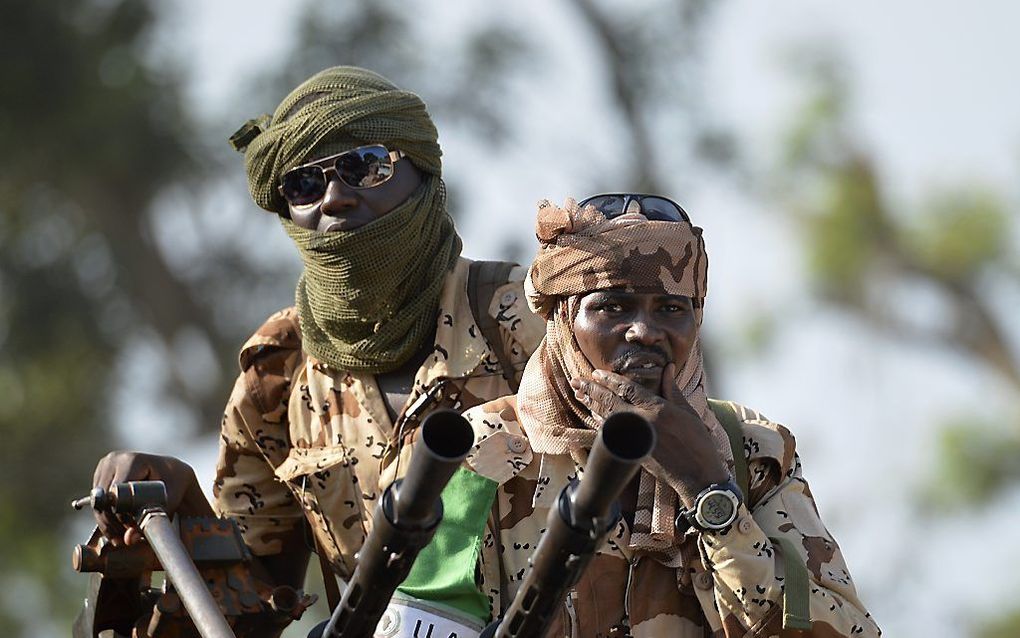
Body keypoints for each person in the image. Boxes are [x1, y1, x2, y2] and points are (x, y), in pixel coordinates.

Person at [89, 66, 545, 634]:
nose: (334, 198)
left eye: (364, 167)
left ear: (422, 174)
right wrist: (181, 503)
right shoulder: (278, 374)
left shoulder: (528, 318)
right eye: (303, 185)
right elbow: (254, 605)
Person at [454, 195, 880, 637]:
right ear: (563, 316)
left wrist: (710, 493)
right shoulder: (479, 449)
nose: (645, 331)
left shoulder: (753, 451)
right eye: (611, 306)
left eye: (671, 309)